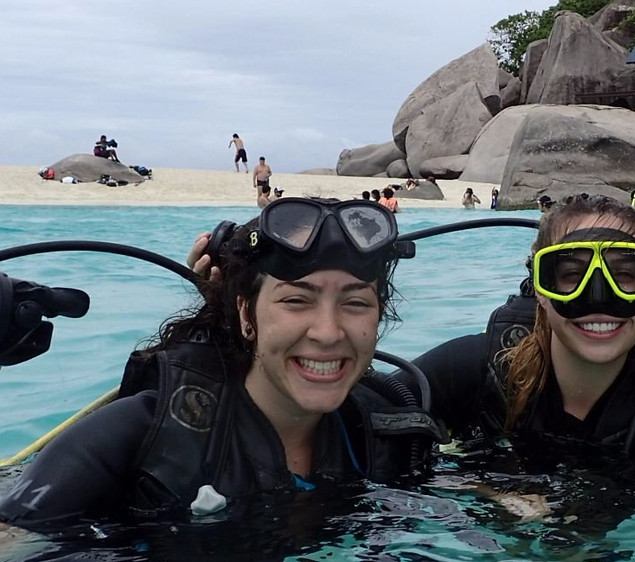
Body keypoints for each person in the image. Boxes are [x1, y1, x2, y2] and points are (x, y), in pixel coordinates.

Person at [0, 198, 442, 527]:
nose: (327, 332)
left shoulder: (390, 437)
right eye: (295, 300)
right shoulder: (138, 439)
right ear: (246, 313)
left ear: (379, 317)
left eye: (355, 303)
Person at [408, 194, 635, 457]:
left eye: (626, 276)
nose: (599, 299)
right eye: (572, 276)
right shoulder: (478, 369)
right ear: (539, 288)